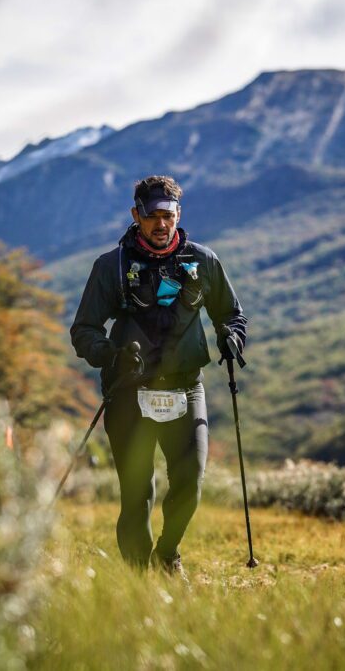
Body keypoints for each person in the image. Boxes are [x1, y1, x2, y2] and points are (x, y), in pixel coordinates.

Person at [70, 174, 248, 579]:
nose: (161, 224)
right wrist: (110, 355)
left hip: (186, 387)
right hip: (128, 391)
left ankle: (167, 555)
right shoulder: (112, 267)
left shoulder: (203, 261)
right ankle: (137, 579)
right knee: (137, 494)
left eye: (168, 215)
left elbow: (231, 314)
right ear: (136, 215)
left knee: (190, 481)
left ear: (178, 214)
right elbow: (84, 329)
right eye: (152, 216)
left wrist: (231, 337)